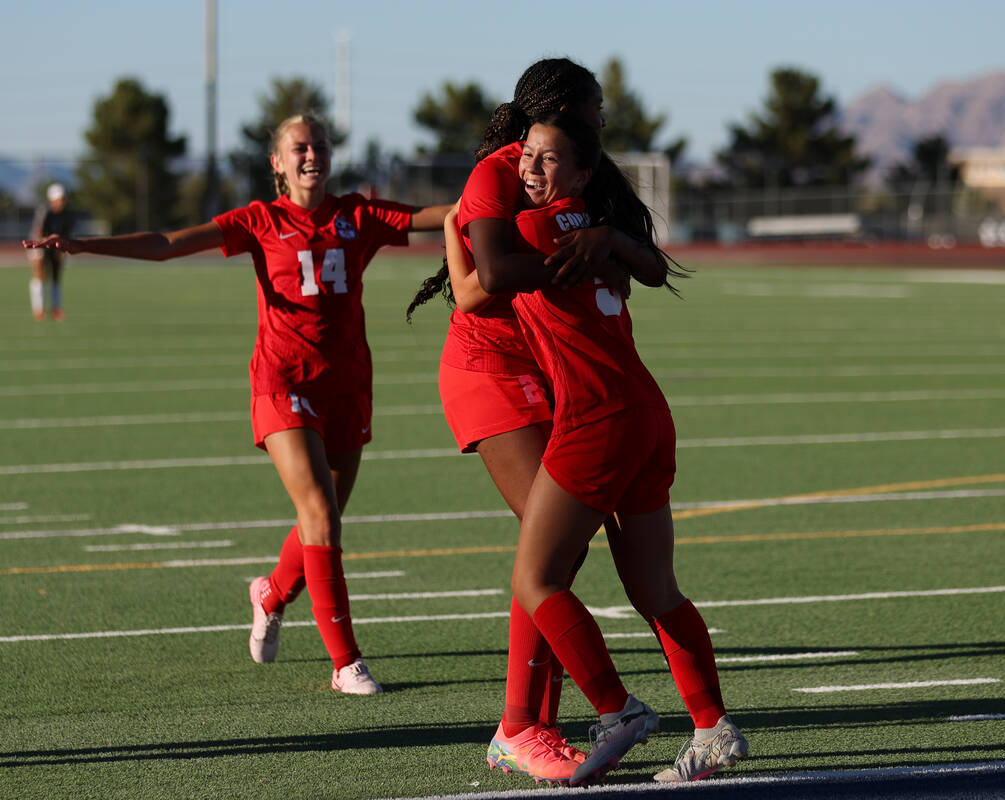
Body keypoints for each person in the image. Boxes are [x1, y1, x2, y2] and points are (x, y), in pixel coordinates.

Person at [24, 114, 451, 695]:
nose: (311, 155)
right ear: (276, 162)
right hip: (283, 381)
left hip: (348, 385)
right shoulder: (260, 220)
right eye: (298, 147)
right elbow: (168, 244)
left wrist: (514, 194)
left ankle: (271, 593)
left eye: (319, 145)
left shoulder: (358, 214)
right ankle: (345, 662)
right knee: (320, 515)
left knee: (320, 520)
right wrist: (82, 243)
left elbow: (450, 216)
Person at [450, 110, 748, 786]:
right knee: (655, 588)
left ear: (581, 174)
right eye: (525, 156)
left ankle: (617, 710)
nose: (528, 169)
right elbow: (650, 266)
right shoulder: (600, 234)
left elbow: (483, 283)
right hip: (647, 412)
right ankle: (711, 727)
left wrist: (453, 226)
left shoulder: (528, 228)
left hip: (597, 417)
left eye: (547, 160)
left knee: (537, 579)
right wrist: (611, 234)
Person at [408, 58, 673, 783]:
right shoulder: (503, 170)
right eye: (594, 109)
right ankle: (525, 726)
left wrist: (611, 251)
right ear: (557, 108)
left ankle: (530, 724)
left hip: (546, 369)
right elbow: (487, 280)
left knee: (556, 554)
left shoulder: (585, 172)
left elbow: (638, 267)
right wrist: (588, 262)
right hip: (489, 369)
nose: (602, 121)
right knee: (546, 549)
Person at [28, 183, 75, 321]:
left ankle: (56, 307)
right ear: (52, 200)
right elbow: (38, 231)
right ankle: (38, 308)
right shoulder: (44, 211)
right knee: (40, 274)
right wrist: (40, 249)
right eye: (59, 199)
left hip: (56, 244)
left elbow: (66, 232)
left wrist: (61, 249)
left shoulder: (68, 214)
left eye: (63, 199)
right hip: (39, 243)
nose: (62, 202)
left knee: (56, 274)